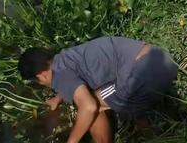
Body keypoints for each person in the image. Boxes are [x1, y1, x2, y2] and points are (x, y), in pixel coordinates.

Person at [18, 36, 177, 143]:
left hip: (147, 75)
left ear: (42, 75)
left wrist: (71, 141)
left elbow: (89, 107)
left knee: (93, 103)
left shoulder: (59, 76)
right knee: (105, 94)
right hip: (160, 60)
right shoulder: (65, 58)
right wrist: (58, 98)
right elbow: (73, 79)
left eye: (36, 82)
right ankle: (149, 131)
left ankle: (148, 131)